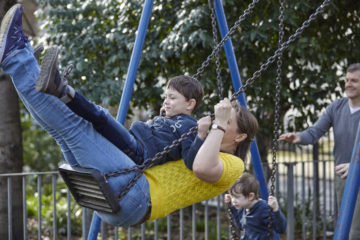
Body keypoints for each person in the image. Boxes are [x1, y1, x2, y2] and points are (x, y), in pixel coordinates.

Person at [0, 4, 259, 227]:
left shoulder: (234, 165)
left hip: (135, 196)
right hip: (129, 191)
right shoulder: (204, 141)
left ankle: (18, 59)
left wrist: (216, 127)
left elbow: (200, 166)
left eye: (227, 120)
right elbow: (184, 148)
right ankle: (24, 68)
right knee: (62, 128)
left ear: (240, 135)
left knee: (74, 125)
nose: (219, 120)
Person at [36, 46, 204, 169]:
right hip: (133, 143)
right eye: (165, 97)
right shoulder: (167, 120)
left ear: (190, 104)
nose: (166, 101)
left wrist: (202, 134)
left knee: (101, 116)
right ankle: (45, 79)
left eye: (172, 98)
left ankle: (61, 90)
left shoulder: (190, 126)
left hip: (138, 151)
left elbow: (191, 162)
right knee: (90, 123)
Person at [278, 63, 360, 239]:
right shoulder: (337, 107)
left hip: (358, 173)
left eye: (354, 81)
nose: (348, 84)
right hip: (343, 177)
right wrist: (297, 137)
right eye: (347, 80)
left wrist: (356, 165)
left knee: (355, 231)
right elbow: (315, 132)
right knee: (342, 227)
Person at [224, 172, 286, 239]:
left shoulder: (263, 209)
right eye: (232, 196)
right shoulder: (244, 207)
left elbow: (281, 229)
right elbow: (240, 226)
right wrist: (232, 206)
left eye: (237, 197)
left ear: (250, 196)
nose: (233, 200)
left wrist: (275, 209)